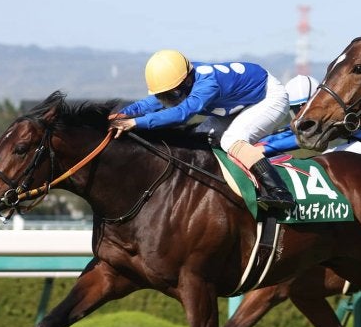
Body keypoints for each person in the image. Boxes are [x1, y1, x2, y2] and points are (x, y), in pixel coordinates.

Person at [109, 49, 295, 210]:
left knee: (231, 140)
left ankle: (279, 191)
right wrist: (123, 114)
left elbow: (181, 113)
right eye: (165, 94)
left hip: (268, 98)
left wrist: (135, 123)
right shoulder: (180, 78)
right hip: (235, 103)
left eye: (172, 93)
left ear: (187, 81)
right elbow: (151, 103)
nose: (169, 98)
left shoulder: (207, 84)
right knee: (197, 138)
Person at [261, 74, 361, 162]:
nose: (301, 113)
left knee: (327, 159)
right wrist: (255, 143)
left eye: (302, 107)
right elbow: (287, 133)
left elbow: (296, 140)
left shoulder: (333, 113)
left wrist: (263, 149)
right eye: (296, 109)